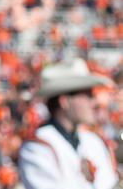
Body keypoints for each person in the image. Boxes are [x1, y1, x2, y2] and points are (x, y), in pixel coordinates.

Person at [17, 58, 117, 189]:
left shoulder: (93, 141)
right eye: (87, 96)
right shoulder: (37, 146)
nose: (93, 103)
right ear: (64, 101)